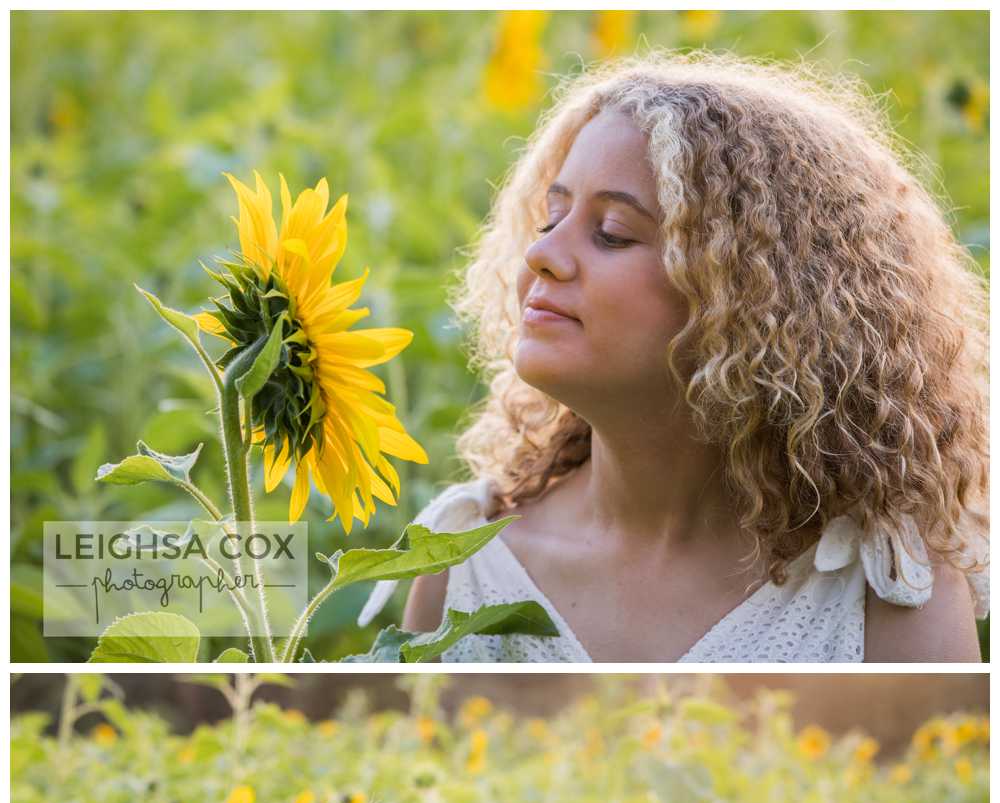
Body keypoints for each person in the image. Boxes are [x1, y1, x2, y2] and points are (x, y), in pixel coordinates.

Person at [360, 51, 987, 662]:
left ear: (747, 296)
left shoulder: (887, 590)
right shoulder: (461, 558)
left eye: (612, 233)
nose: (541, 256)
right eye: (551, 219)